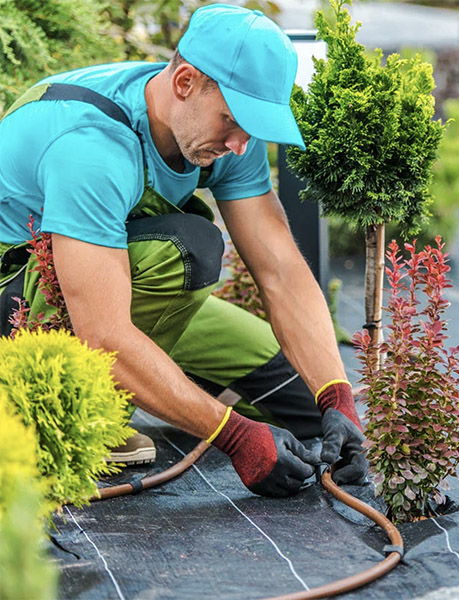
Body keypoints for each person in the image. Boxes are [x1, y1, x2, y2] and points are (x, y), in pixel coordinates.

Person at [0, 4, 368, 497]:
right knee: (189, 249)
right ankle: (88, 420)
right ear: (185, 83)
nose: (240, 143)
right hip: (22, 302)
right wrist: (232, 435)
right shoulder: (92, 145)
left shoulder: (218, 131)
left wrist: (337, 398)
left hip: (109, 284)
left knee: (304, 403)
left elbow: (279, 268)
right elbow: (104, 332)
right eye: (232, 121)